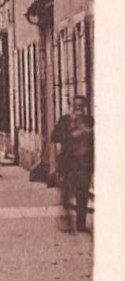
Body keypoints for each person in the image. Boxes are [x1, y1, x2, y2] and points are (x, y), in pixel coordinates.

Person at [51, 96, 94, 233]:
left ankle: (80, 224)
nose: (78, 108)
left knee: (82, 195)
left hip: (84, 165)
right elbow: (54, 137)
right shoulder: (65, 121)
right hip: (68, 164)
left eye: (81, 106)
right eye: (75, 105)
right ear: (71, 106)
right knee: (66, 194)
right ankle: (67, 219)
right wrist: (72, 134)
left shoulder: (89, 121)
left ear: (85, 107)